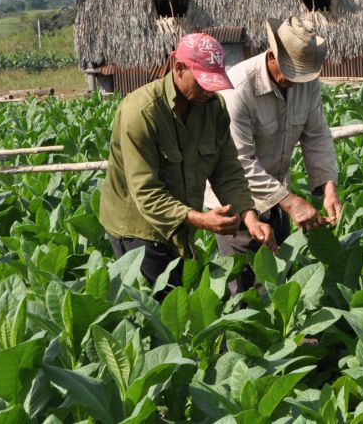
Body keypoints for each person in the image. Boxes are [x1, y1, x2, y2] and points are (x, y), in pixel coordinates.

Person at [99, 33, 275, 289]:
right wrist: (202, 220)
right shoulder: (140, 113)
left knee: (179, 302)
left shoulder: (213, 108)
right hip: (138, 229)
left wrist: (250, 218)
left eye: (214, 82)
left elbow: (227, 172)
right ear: (178, 68)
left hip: (181, 225)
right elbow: (147, 193)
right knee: (159, 312)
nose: (209, 90)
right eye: (203, 81)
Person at [213, 13, 343, 294]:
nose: (296, 82)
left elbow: (317, 135)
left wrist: (328, 187)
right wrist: (292, 203)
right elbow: (240, 163)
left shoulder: (306, 82)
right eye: (291, 73)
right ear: (272, 56)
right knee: (244, 292)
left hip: (277, 198)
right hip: (237, 202)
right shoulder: (237, 89)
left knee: (277, 282)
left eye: (302, 75)